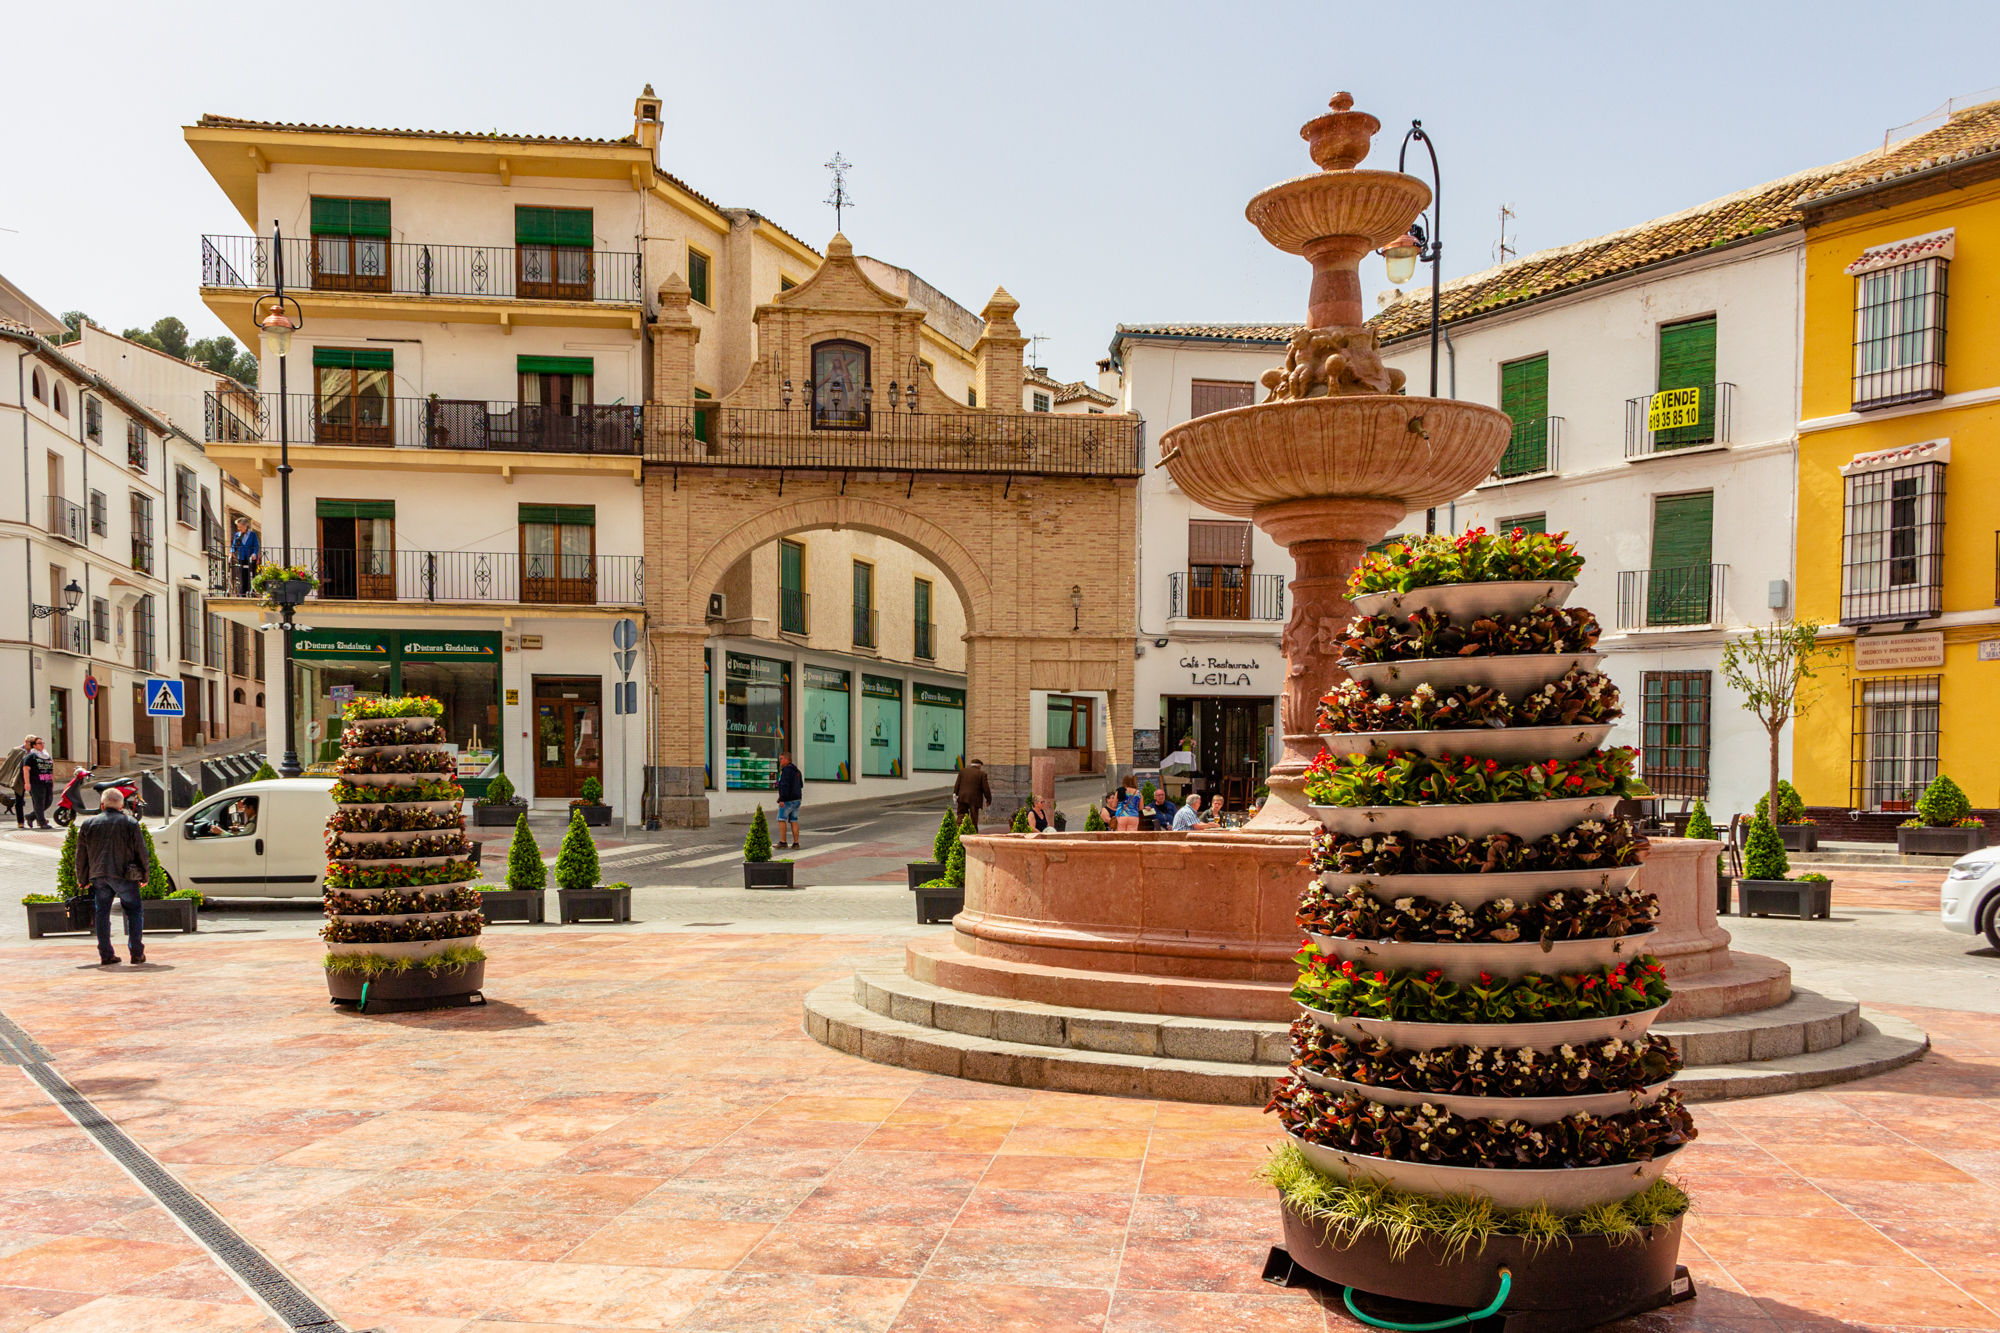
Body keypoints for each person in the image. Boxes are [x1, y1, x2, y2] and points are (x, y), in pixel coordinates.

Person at [75, 788, 150, 965]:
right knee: (134, 911)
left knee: (102, 913)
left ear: (102, 805)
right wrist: (145, 875)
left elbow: (81, 855)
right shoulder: (130, 823)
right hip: (124, 875)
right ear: (122, 805)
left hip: (99, 875)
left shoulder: (88, 824)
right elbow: (142, 851)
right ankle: (137, 953)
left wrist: (82, 878)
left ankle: (106, 954)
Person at [774, 750, 804, 850]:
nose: (780, 761)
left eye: (781, 759)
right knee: (794, 820)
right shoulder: (797, 771)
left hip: (787, 800)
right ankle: (796, 843)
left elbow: (784, 786)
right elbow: (801, 785)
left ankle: (783, 842)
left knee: (781, 819)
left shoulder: (786, 771)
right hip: (797, 799)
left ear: (787, 759)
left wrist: (782, 799)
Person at [953, 758, 992, 832]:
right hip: (974, 799)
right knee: (974, 817)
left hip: (962, 797)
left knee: (961, 815)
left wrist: (955, 794)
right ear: (979, 766)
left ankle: (959, 830)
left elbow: (957, 784)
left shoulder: (963, 771)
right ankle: (973, 832)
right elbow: (985, 788)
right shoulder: (982, 774)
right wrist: (988, 799)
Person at [24, 736, 54, 830]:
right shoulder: (30, 756)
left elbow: (51, 769)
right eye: (39, 743)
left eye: (43, 743)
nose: (42, 745)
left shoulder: (46, 755)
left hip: (47, 782)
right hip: (36, 783)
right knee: (39, 803)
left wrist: (52, 780)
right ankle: (42, 822)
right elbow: (26, 770)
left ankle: (31, 816)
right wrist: (27, 783)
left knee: (48, 802)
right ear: (34, 745)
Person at [230, 516, 261, 596]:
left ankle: (252, 590)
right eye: (238, 526)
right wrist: (232, 552)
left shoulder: (252, 535)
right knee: (242, 574)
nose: (238, 528)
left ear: (245, 526)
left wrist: (254, 554)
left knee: (251, 573)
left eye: (240, 526)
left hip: (251, 557)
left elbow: (256, 546)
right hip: (241, 557)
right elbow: (234, 545)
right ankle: (243, 591)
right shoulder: (237, 535)